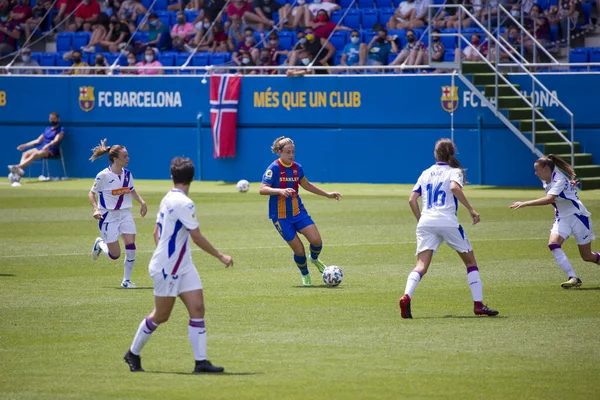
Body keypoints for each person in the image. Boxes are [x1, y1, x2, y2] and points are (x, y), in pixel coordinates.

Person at [123, 157, 233, 374]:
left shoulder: (168, 197)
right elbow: (197, 238)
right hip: (168, 268)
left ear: (172, 176)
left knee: (198, 308)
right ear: (192, 178)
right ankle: (132, 353)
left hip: (183, 266)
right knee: (161, 315)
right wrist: (220, 256)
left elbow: (156, 233)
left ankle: (200, 363)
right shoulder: (184, 203)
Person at [399, 138, 499, 318]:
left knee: (421, 265)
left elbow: (412, 199)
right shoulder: (455, 172)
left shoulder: (426, 172)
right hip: (447, 221)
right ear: (452, 154)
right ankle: (478, 305)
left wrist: (421, 220)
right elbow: (454, 187)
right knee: (470, 262)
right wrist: (471, 209)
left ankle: (406, 297)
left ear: (435, 154)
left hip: (426, 222)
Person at [259, 136, 342, 286]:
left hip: (298, 212)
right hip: (281, 217)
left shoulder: (297, 168)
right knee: (299, 251)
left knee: (316, 241)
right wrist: (279, 191)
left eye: (293, 152)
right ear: (279, 152)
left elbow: (307, 185)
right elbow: (262, 189)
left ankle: (314, 259)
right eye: (288, 152)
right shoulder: (274, 168)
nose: (291, 155)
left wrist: (327, 194)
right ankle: (305, 275)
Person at [509, 155, 600, 288]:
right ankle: (573, 277)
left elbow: (549, 199)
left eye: (537, 170)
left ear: (546, 169)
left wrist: (524, 203)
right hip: (562, 217)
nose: (535, 173)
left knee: (587, 256)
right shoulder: (547, 180)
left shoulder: (559, 179)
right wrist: (569, 185)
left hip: (578, 217)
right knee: (553, 244)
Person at [88, 139, 148, 289]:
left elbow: (131, 189)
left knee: (131, 246)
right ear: (116, 159)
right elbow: (91, 193)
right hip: (108, 216)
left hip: (125, 214)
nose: (128, 159)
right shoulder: (103, 176)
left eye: (127, 156)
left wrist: (142, 202)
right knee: (115, 254)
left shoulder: (127, 174)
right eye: (125, 156)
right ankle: (100, 244)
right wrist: (96, 208)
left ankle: (126, 281)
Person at [8, 112, 65, 178]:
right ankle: (20, 171)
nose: (52, 121)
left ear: (58, 119)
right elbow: (38, 140)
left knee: (34, 155)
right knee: (25, 153)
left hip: (50, 150)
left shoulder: (61, 129)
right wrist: (25, 145)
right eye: (51, 119)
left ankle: (19, 167)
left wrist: (48, 145)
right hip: (41, 148)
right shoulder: (47, 129)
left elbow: (56, 140)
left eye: (54, 119)